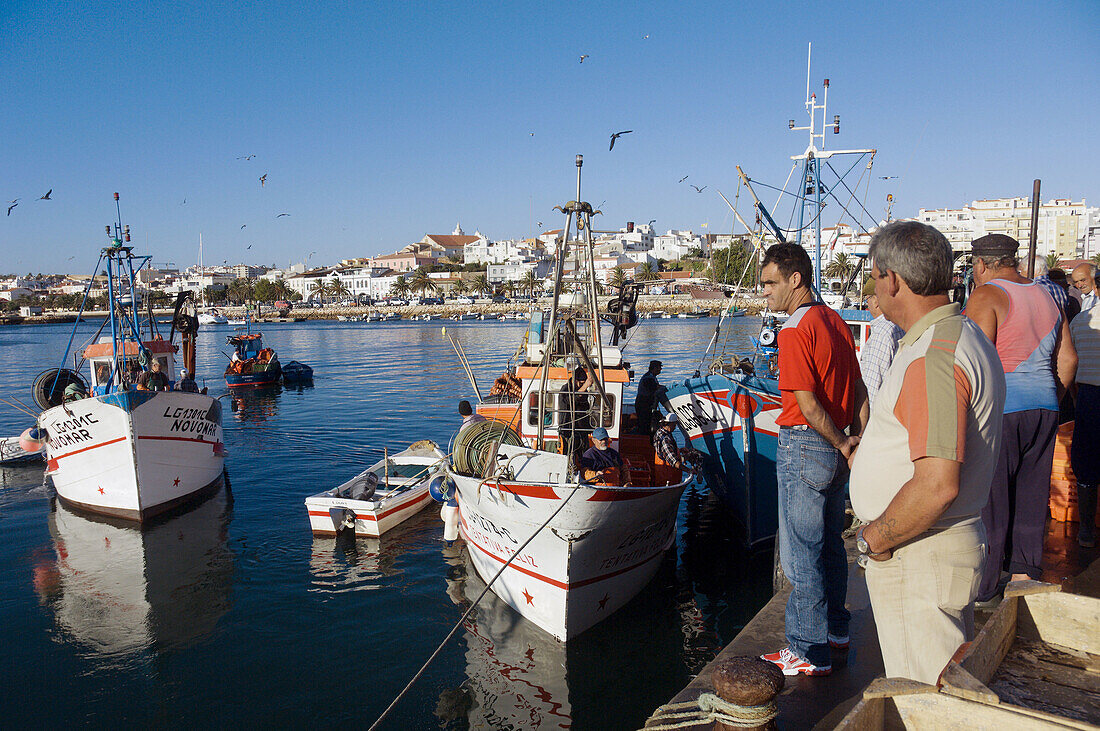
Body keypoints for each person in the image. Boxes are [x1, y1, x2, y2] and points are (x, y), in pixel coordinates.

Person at [850, 221, 1006, 684]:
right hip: (936, 550)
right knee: (944, 688)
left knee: (925, 700)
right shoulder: (959, 336)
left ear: (892, 279)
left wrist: (871, 540)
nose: (874, 288)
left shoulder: (934, 356)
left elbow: (937, 483)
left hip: (918, 556)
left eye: (875, 277)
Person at [757, 242, 868, 677]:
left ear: (795, 280)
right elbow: (858, 389)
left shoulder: (794, 330)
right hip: (836, 449)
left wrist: (841, 442)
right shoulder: (836, 321)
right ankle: (836, 630)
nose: (763, 291)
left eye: (769, 283)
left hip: (806, 446)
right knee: (829, 546)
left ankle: (807, 648)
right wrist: (855, 438)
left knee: (800, 553)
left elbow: (804, 402)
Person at [966, 234, 1077, 603]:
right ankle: (1025, 573)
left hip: (1001, 409)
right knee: (1032, 493)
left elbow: (973, 358)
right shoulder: (1048, 296)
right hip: (1044, 406)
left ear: (981, 264)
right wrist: (1050, 397)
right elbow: (1068, 360)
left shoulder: (986, 295)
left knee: (991, 498)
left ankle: (985, 587)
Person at [1070, 303, 1100, 547]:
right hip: (1088, 395)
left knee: (1086, 463)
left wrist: (1073, 397)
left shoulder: (1080, 321)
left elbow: (1070, 361)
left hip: (1088, 397)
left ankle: (1087, 531)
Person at [860, 282, 904, 407]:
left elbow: (872, 387)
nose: (867, 304)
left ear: (876, 301)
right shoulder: (900, 326)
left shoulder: (881, 333)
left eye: (867, 299)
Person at [559, 367, 595, 470]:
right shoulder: (565, 389)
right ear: (575, 380)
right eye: (581, 383)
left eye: (584, 383)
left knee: (584, 454)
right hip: (568, 428)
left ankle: (586, 472)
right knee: (568, 454)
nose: (582, 385)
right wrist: (584, 387)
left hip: (581, 428)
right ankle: (567, 471)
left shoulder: (582, 390)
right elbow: (569, 400)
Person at [634, 360, 671, 435]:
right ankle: (644, 439)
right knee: (645, 423)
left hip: (646, 404)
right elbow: (655, 387)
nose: (660, 370)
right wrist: (667, 388)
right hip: (643, 405)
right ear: (654, 368)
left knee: (646, 422)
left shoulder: (651, 377)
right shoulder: (648, 378)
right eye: (659, 368)